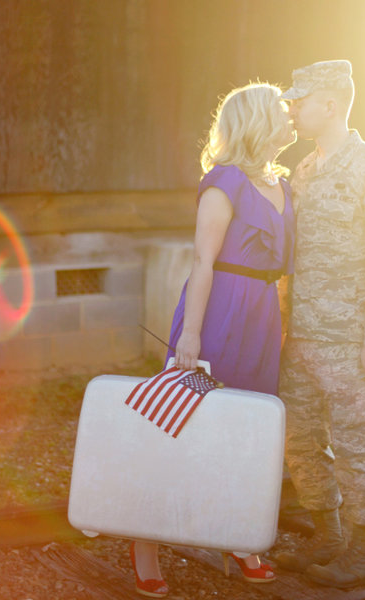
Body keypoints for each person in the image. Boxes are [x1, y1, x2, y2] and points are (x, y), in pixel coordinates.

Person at [129, 81, 296, 597]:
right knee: (183, 424)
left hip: (263, 318)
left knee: (247, 431)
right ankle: (145, 543)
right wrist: (193, 335)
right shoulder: (223, 181)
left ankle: (239, 539)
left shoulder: (285, 185)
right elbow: (204, 260)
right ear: (260, 121)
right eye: (283, 111)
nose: (292, 118)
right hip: (220, 311)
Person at [274, 60, 365, 589]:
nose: (291, 109)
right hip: (302, 339)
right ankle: (328, 535)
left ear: (329, 104)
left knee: (357, 446)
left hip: (352, 343)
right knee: (302, 443)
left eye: (299, 100)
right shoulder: (304, 171)